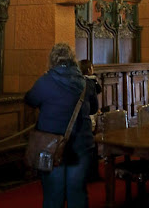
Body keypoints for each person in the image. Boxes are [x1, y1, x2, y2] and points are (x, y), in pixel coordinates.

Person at [25, 43, 98, 208]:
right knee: (77, 193)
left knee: (53, 196)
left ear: (52, 60)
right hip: (81, 145)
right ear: (73, 60)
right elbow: (94, 108)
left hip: (51, 146)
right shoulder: (86, 83)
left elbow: (30, 99)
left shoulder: (45, 81)